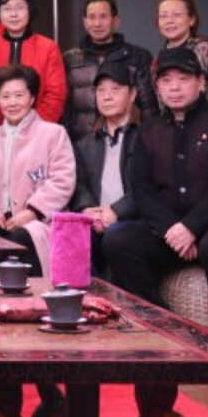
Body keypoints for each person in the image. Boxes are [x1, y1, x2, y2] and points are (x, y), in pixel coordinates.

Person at [104, 48, 208, 344]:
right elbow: (143, 189)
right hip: (170, 226)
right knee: (118, 241)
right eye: (166, 81)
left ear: (201, 82)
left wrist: (192, 227)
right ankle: (158, 318)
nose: (174, 88)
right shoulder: (149, 130)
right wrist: (171, 229)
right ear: (157, 87)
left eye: (183, 79)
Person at [0, 64, 76, 279]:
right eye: (5, 96)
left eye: (19, 95)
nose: (12, 102)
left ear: (32, 98)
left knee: (20, 239)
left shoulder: (54, 133)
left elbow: (62, 181)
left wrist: (32, 212)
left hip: (39, 221)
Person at [69, 61, 141, 279]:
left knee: (116, 236)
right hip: (96, 219)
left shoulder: (146, 137)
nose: (107, 97)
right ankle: (86, 295)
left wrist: (116, 211)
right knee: (73, 232)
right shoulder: (85, 143)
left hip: (133, 218)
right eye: (101, 91)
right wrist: (87, 210)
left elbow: (148, 188)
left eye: (115, 90)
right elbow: (79, 184)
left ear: (132, 94)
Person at [62, 0, 156, 143]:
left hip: (128, 142)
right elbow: (65, 108)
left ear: (116, 21)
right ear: (85, 22)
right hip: (80, 142)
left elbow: (149, 107)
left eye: (103, 17)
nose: (97, 23)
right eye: (91, 17)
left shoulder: (138, 56)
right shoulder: (70, 59)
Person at [0, 0, 67, 129]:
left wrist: (34, 129)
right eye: (7, 9)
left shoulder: (48, 48)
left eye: (19, 8)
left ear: (30, 11)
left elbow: (55, 95)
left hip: (39, 130)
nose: (13, 14)